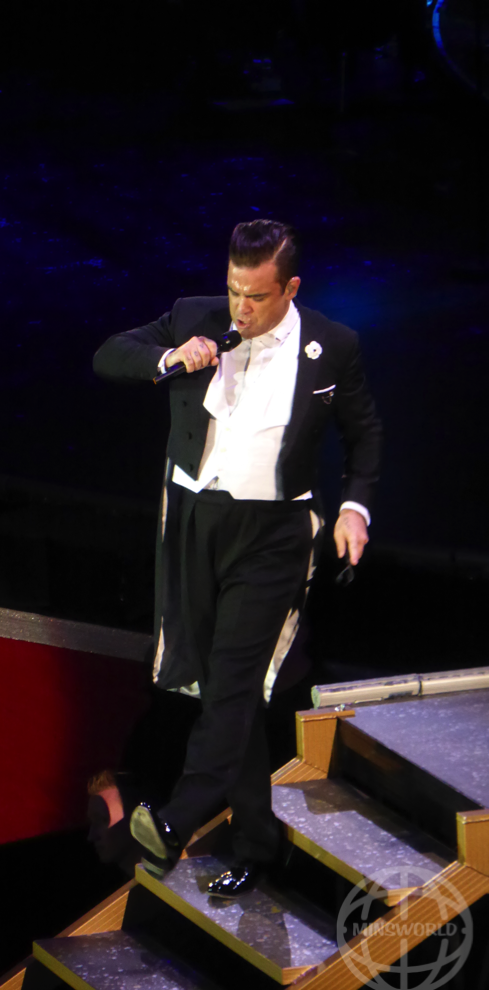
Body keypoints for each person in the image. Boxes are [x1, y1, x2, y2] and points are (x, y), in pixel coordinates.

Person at [93, 218, 381, 897]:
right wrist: (168, 357)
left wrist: (354, 507)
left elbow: (364, 432)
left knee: (233, 680)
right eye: (233, 290)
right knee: (224, 687)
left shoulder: (332, 346)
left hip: (274, 533)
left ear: (290, 289)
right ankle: (256, 840)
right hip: (195, 522)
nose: (240, 308)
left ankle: (178, 818)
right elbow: (108, 355)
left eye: (255, 296)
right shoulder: (194, 316)